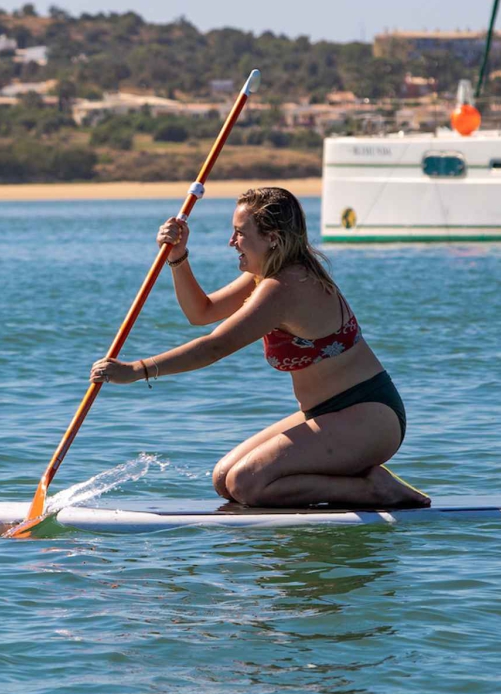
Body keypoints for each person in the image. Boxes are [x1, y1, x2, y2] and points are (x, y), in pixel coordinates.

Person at [90, 187, 428, 509]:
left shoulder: (284, 288)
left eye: (240, 233)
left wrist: (137, 370)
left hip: (370, 417)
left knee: (248, 484)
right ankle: (348, 473)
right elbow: (201, 313)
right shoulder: (266, 276)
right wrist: (178, 258)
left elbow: (214, 347)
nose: (231, 242)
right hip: (327, 414)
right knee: (224, 479)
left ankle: (372, 489)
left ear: (272, 239)